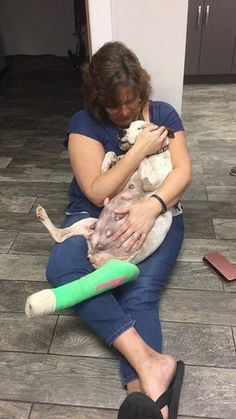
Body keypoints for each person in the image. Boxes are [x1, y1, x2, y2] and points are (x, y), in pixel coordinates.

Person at [46, 41, 192, 419]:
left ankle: (143, 397)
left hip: (159, 215)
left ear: (142, 89)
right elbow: (96, 190)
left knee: (138, 291)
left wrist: (151, 207)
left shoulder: (164, 114)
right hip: (93, 213)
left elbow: (182, 172)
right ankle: (150, 366)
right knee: (63, 270)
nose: (126, 112)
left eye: (132, 101)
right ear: (98, 100)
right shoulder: (83, 123)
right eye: (115, 106)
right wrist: (139, 148)